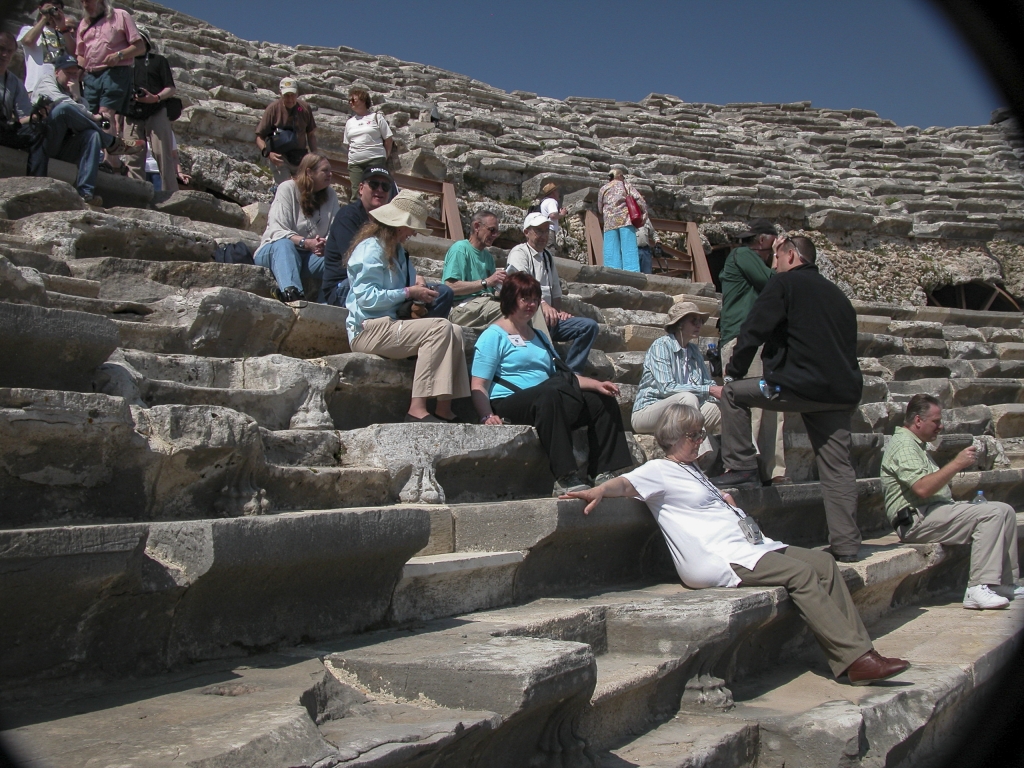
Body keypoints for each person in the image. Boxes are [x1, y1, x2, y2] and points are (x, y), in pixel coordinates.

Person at [562, 404, 911, 686]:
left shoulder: (693, 469)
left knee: (825, 565)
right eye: (694, 434)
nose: (701, 439)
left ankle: (862, 654)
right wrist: (597, 491)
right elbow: (624, 484)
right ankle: (854, 659)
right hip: (720, 555)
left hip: (749, 545)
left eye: (701, 433)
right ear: (673, 437)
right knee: (802, 575)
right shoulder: (659, 469)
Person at [711, 235, 864, 563]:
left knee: (734, 395)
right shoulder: (839, 297)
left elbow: (754, 329)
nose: (774, 264)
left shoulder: (785, 284)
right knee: (837, 468)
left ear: (792, 256)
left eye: (777, 258)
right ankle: (847, 545)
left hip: (796, 386)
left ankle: (740, 467)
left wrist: (735, 370)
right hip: (839, 393)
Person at [472, 271, 633, 495]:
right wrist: (486, 415)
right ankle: (565, 476)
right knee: (547, 395)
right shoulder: (494, 335)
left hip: (549, 400)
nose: (531, 304)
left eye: (535, 299)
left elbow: (562, 375)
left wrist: (596, 384)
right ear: (510, 299)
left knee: (599, 399)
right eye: (524, 298)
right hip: (509, 402)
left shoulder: (539, 336)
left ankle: (602, 471)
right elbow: (478, 385)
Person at [881, 394, 1022, 610]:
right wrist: (956, 463)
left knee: (1004, 510)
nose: (941, 426)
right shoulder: (904, 446)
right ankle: (978, 587)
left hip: (934, 511)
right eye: (936, 421)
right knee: (991, 514)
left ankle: (1003, 584)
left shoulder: (917, 445)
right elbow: (923, 488)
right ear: (918, 420)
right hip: (917, 519)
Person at [346, 190, 465, 423]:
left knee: (456, 331)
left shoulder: (399, 252)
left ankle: (444, 407)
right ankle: (416, 409)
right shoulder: (371, 249)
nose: (413, 233)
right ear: (400, 224)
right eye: (412, 228)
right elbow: (366, 298)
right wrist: (409, 292)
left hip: (390, 325)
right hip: (367, 329)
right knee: (440, 328)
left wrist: (419, 290)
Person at [719, 218, 787, 485]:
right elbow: (771, 282)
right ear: (763, 240)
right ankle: (748, 467)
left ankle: (775, 470)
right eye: (774, 243)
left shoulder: (750, 256)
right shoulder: (742, 254)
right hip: (744, 338)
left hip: (764, 340)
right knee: (755, 407)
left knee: (774, 407)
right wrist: (780, 260)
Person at [29, 54, 142, 205]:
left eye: (75, 73)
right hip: (44, 141)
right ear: (57, 72)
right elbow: (63, 103)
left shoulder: (72, 90)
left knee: (92, 135)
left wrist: (76, 95)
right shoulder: (47, 81)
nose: (72, 76)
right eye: (68, 72)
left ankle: (86, 193)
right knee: (63, 109)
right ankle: (111, 142)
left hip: (65, 145)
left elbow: (82, 112)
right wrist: (92, 116)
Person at [506, 212, 599, 373]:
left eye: (546, 231)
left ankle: (572, 372)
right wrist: (543, 306)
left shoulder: (547, 256)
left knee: (589, 326)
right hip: (530, 317)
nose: (544, 236)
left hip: (549, 318)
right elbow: (521, 286)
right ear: (526, 232)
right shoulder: (519, 253)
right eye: (539, 231)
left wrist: (557, 311)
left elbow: (555, 291)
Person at [631, 302, 722, 461]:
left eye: (700, 320)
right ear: (679, 324)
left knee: (724, 406)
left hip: (684, 413)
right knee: (687, 398)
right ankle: (697, 457)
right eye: (694, 320)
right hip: (648, 412)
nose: (699, 324)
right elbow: (666, 388)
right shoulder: (661, 346)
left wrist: (722, 394)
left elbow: (709, 384)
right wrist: (708, 391)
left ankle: (741, 462)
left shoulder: (694, 351)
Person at [254, 153, 339, 303]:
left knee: (339, 262)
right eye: (324, 170)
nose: (330, 174)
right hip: (275, 250)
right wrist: (305, 242)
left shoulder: (331, 195)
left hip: (308, 257)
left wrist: (324, 244)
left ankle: (327, 303)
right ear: (309, 172)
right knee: (284, 245)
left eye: (330, 170)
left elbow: (335, 230)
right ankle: (293, 295)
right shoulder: (287, 188)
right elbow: (277, 229)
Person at [75, 0, 146, 173]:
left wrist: (119, 55)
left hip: (115, 71)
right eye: (82, 1)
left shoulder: (121, 16)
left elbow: (140, 47)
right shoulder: (84, 24)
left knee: (106, 114)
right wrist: (78, 73)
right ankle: (100, 158)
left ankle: (111, 161)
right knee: (91, 116)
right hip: (91, 75)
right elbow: (80, 54)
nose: (85, 4)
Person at [320, 165, 392, 306]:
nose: (379, 190)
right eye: (374, 184)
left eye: (385, 186)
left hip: (374, 281)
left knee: (440, 293)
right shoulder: (348, 216)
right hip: (343, 286)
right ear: (361, 188)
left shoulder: (388, 223)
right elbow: (355, 261)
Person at [124, 29, 177, 192]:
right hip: (131, 113)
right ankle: (135, 193)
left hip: (156, 109)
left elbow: (170, 88)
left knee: (162, 154)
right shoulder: (124, 64)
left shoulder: (158, 61)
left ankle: (170, 194)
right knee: (132, 156)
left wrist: (155, 98)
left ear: (145, 42)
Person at [442, 209, 506, 329]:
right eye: (492, 230)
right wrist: (486, 282)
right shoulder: (460, 249)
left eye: (497, 232)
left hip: (485, 304)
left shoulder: (488, 257)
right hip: (462, 307)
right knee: (511, 312)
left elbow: (492, 289)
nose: (495, 235)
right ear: (477, 226)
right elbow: (450, 287)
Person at [255, 77, 317, 185]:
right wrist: (268, 154)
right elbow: (259, 137)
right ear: (280, 94)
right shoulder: (273, 109)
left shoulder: (305, 108)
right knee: (286, 188)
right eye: (286, 95)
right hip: (280, 158)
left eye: (292, 95)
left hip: (300, 158)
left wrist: (315, 156)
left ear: (297, 93)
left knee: (303, 191)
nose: (290, 99)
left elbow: (311, 135)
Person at [17, 0, 76, 100]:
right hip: (35, 87)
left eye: (57, 9)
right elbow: (28, 41)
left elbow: (73, 52)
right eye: (50, 8)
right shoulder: (28, 29)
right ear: (40, 8)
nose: (52, 12)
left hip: (58, 90)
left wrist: (63, 27)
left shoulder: (64, 35)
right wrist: (44, 18)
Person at [344, 87, 393, 202]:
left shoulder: (376, 117)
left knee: (376, 190)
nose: (351, 102)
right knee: (356, 192)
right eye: (349, 101)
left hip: (375, 158)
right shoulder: (350, 122)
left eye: (353, 100)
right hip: (355, 162)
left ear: (363, 100)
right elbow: (347, 143)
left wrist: (384, 157)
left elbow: (388, 139)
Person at [597, 168, 647, 272]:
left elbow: (599, 208)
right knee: (628, 247)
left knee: (611, 249)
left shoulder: (603, 188)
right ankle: (631, 272)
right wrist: (644, 212)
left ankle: (612, 272)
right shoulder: (625, 185)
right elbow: (639, 199)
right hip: (625, 220)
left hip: (609, 222)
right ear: (619, 176)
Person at [0, 31, 38, 159]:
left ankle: (35, 176)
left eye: (9, 51)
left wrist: (36, 116)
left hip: (3, 130)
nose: (5, 54)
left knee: (39, 132)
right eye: (1, 49)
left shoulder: (14, 83)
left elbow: (23, 117)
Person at [538, 182, 566, 255]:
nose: (558, 193)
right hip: (550, 229)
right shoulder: (552, 201)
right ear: (553, 192)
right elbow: (553, 215)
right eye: (556, 191)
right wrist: (562, 214)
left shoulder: (544, 202)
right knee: (551, 250)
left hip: (545, 229)